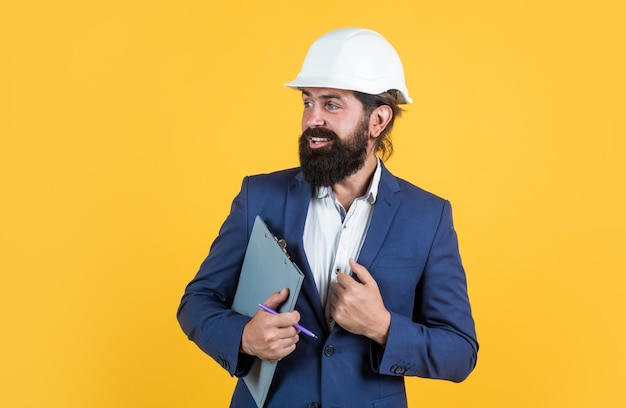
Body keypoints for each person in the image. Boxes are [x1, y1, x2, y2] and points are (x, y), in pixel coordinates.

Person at [177, 27, 478, 408]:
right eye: (307, 102)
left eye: (331, 105)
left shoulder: (428, 217)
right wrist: (243, 338)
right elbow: (197, 301)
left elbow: (460, 351)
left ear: (378, 120)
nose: (311, 120)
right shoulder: (260, 196)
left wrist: (383, 327)